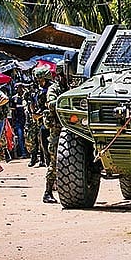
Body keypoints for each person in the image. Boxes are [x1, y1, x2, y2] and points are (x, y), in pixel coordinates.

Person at [43, 59, 72, 203]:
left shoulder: (71, 87)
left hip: (72, 129)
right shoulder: (54, 89)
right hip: (57, 130)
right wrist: (68, 100)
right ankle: (47, 192)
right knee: (55, 163)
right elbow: (51, 104)